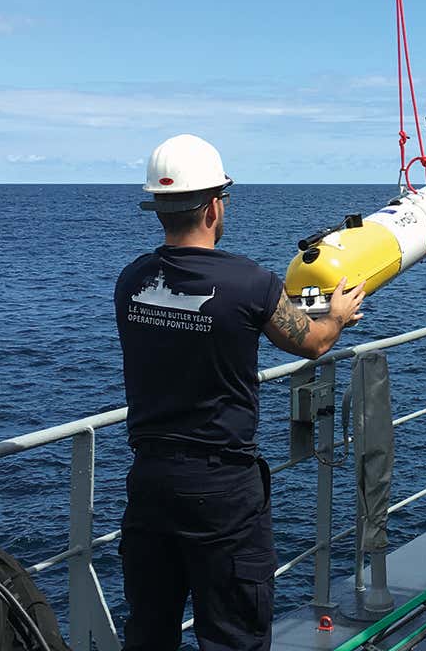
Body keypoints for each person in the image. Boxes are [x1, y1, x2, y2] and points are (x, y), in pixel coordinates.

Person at [115, 134, 365, 651]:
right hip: (222, 490)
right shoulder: (249, 283)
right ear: (212, 206)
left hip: (151, 482)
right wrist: (337, 316)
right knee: (233, 635)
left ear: (159, 208)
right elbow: (312, 341)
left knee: (149, 633)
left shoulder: (131, 281)